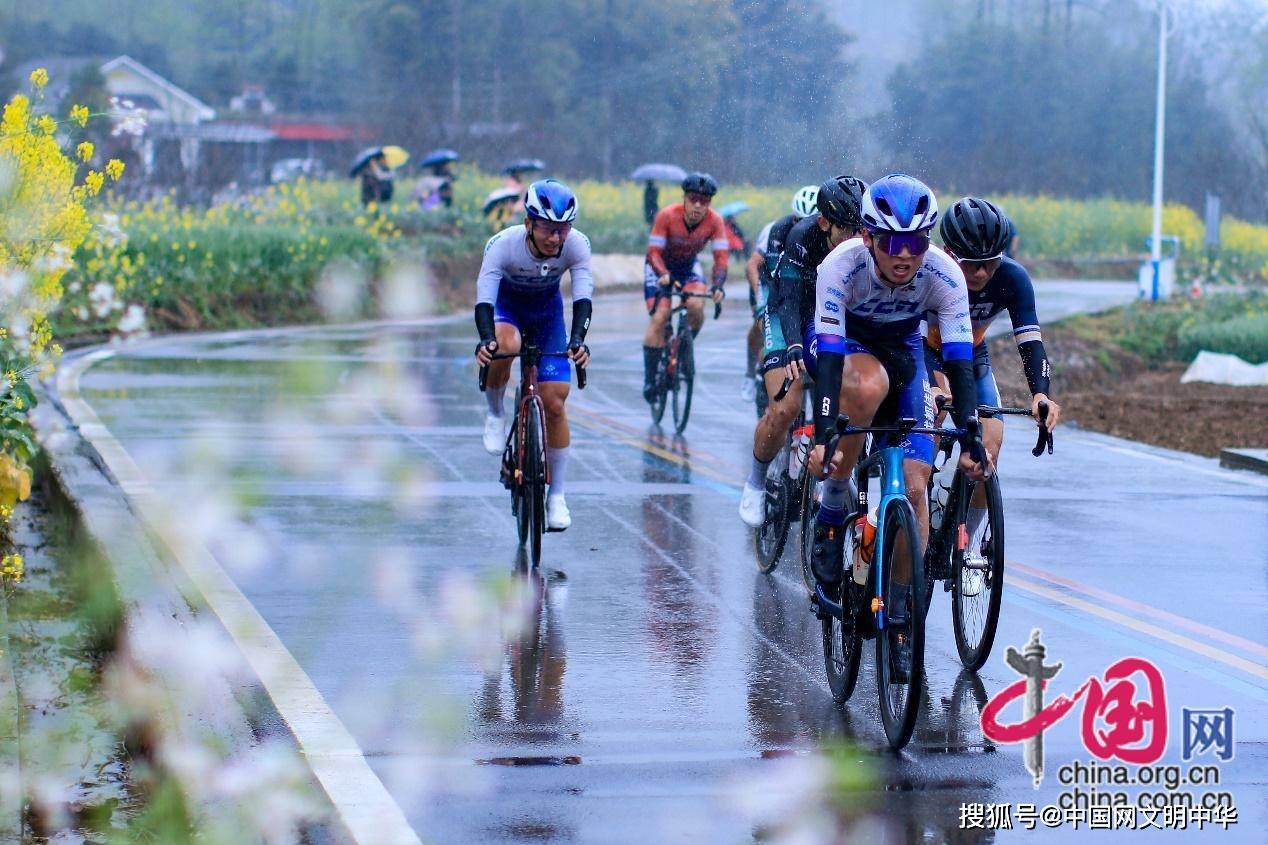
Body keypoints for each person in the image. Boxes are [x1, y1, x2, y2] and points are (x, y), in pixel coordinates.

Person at [807, 174, 986, 682]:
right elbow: (832, 360)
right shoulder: (839, 267)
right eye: (892, 242)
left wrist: (970, 431)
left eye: (916, 242)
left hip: (905, 354)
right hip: (845, 349)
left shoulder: (944, 276)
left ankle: (903, 617)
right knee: (865, 388)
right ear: (868, 237)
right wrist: (824, 432)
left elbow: (958, 359)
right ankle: (833, 506)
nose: (904, 255)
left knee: (914, 486)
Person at [926, 197, 1061, 595]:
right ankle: (915, 498)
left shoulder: (1013, 279)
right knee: (927, 419)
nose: (983, 272)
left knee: (989, 447)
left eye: (991, 261)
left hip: (972, 354)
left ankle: (970, 551)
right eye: (972, 263)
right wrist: (935, 385)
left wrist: (1041, 394)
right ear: (950, 254)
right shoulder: (929, 272)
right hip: (923, 351)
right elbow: (912, 342)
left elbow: (1031, 343)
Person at [738, 176, 867, 526]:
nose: (857, 238)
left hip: (831, 317)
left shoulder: (866, 244)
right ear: (825, 223)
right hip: (788, 313)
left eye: (862, 229)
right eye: (847, 229)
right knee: (785, 408)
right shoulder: (802, 236)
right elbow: (791, 301)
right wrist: (794, 345)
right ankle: (756, 481)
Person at [474, 180, 593, 531]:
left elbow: (583, 299)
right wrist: (485, 341)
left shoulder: (578, 245)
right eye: (548, 230)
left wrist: (578, 341)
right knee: (505, 346)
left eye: (563, 230)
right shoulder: (502, 246)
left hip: (547, 315)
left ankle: (556, 497)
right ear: (529, 223)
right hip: (508, 310)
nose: (556, 239)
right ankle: (495, 412)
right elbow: (484, 300)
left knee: (555, 402)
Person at [641, 172, 729, 402]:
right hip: (659, 267)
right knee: (661, 317)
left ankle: (682, 346)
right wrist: (663, 274)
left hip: (688, 267)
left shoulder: (715, 221)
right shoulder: (667, 216)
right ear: (684, 198)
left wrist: (718, 285)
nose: (698, 206)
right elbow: (653, 253)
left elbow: (721, 259)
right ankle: (651, 379)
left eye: (705, 201)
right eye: (693, 199)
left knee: (697, 306)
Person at [740, 185, 819, 403]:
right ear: (793, 217)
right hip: (768, 281)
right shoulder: (775, 229)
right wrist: (760, 301)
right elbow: (753, 266)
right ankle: (752, 372)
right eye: (799, 220)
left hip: (799, 283)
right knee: (761, 322)